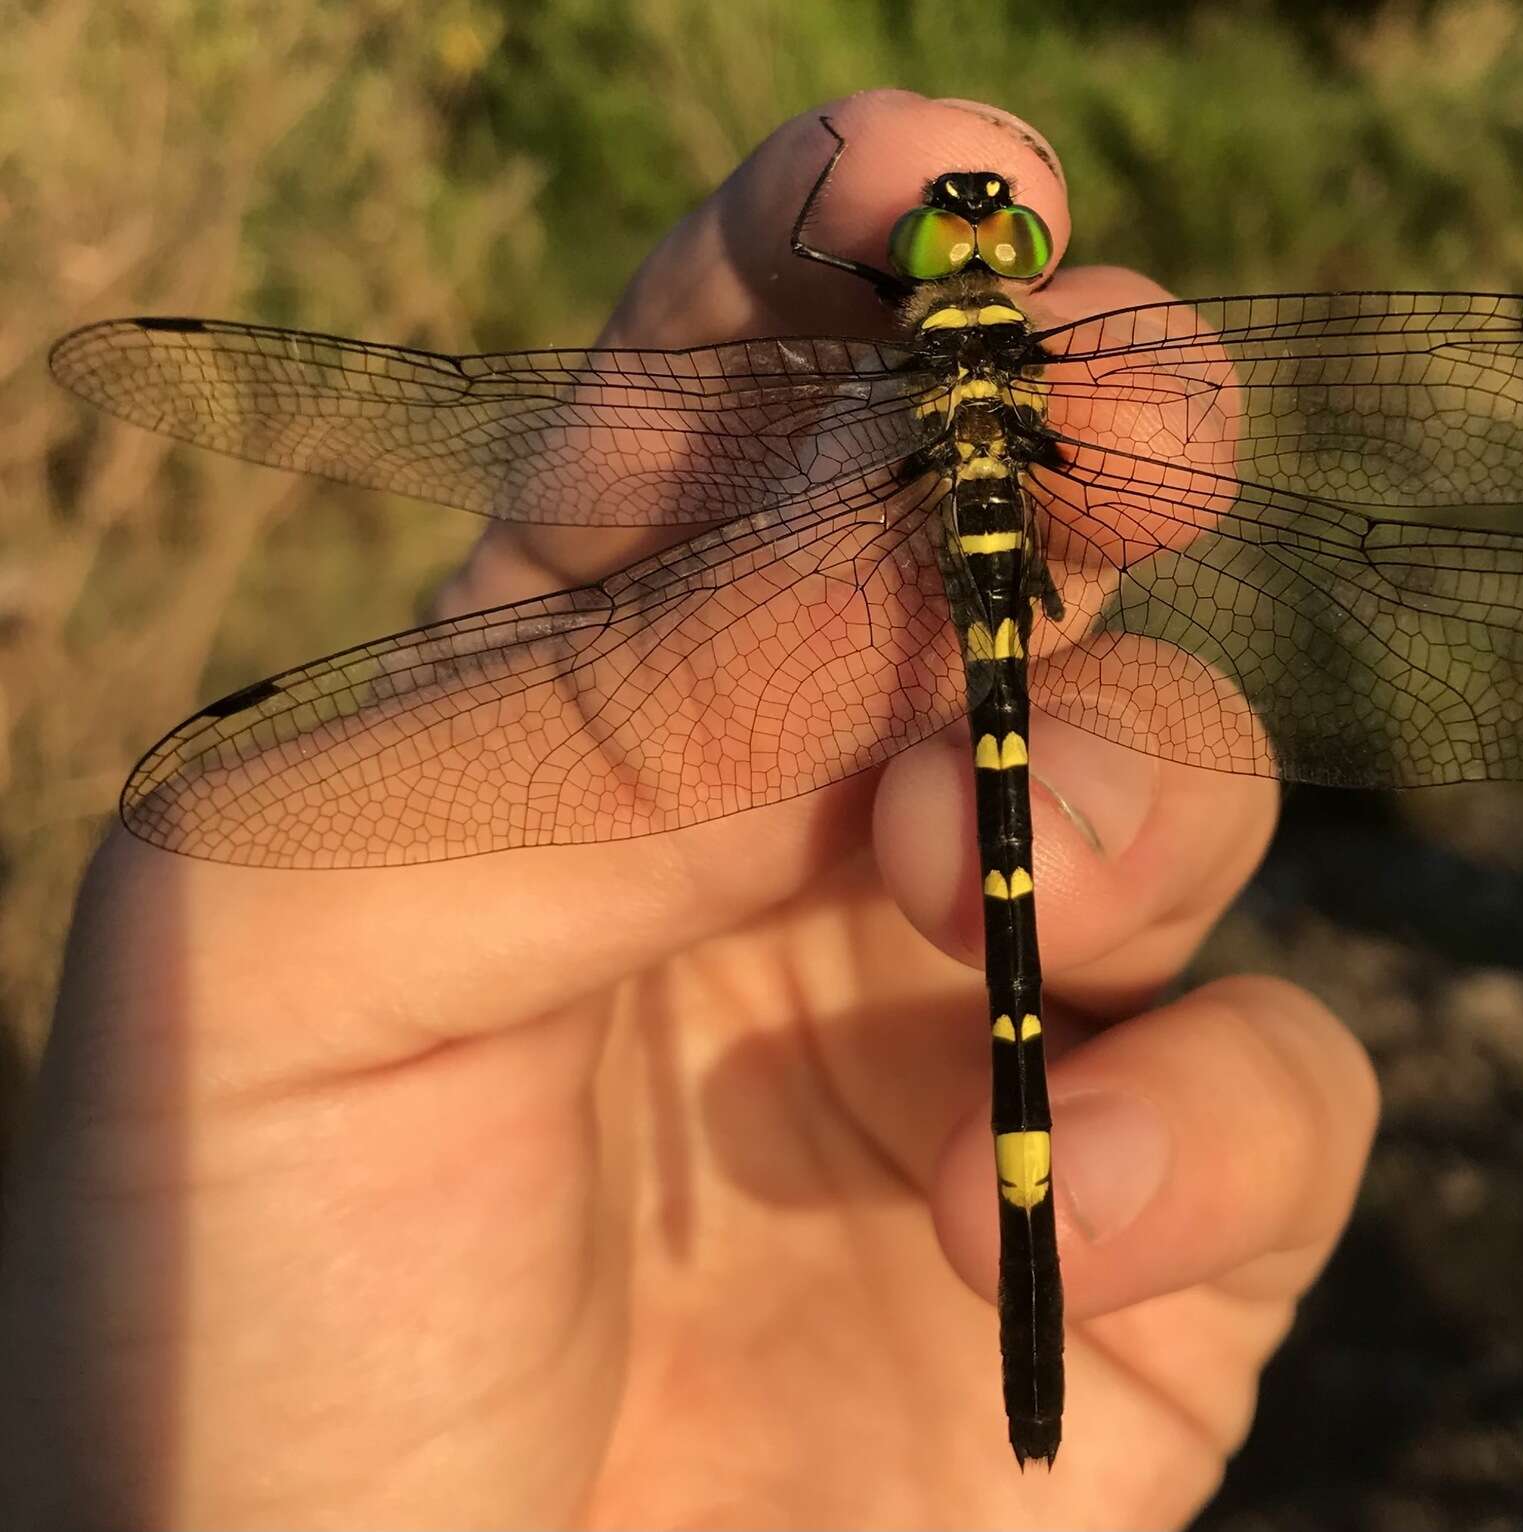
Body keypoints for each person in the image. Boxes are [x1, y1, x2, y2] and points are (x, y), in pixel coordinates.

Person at [0, 91, 1376, 1527]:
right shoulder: (1008, 371)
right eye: (944, 228)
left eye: (995, 231)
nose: (971, 235)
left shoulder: (897, 364)